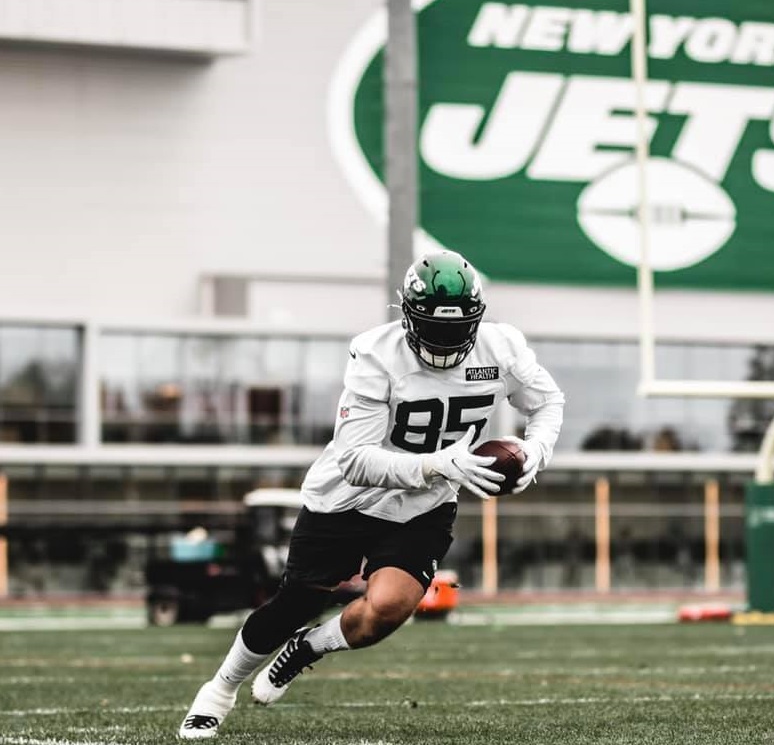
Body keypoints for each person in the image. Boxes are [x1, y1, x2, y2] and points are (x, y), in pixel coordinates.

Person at [178, 250, 564, 738]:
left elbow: (548, 401)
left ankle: (309, 648)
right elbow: (355, 460)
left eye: (456, 328)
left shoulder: (501, 347)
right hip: (347, 500)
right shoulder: (376, 354)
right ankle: (219, 690)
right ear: (407, 314)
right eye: (434, 327)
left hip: (423, 504)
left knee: (387, 609)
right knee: (294, 604)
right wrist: (438, 464)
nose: (446, 340)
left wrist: (535, 453)